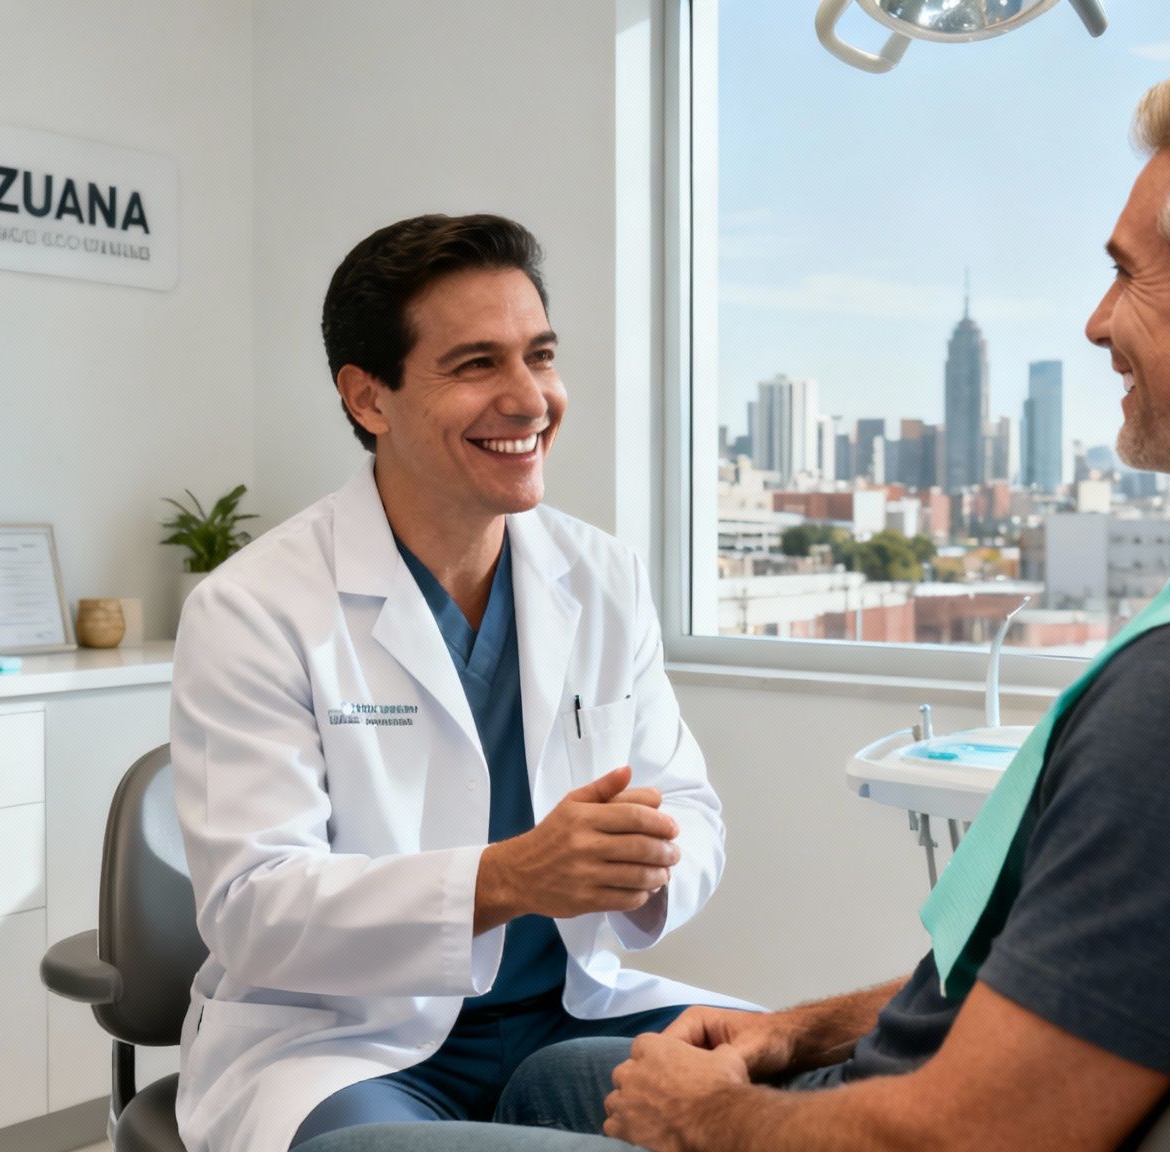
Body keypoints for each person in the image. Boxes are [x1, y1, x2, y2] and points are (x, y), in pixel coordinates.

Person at [289, 63, 1170, 1152]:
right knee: (553, 1072)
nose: (1098, 320)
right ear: (369, 397)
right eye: (476, 361)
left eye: (1126, 275)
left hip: (903, 1125)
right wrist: (795, 1031)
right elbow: (1092, 972)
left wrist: (711, 1119)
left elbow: (978, 1133)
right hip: (843, 1070)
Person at [170, 213, 747, 1152]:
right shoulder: (255, 607)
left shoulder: (600, 576)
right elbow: (253, 909)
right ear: (369, 398)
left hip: (571, 1014)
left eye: (541, 356)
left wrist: (646, 865)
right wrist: (508, 878)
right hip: (350, 1048)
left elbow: (692, 807)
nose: (530, 400)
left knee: (814, 1092)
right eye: (477, 364)